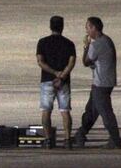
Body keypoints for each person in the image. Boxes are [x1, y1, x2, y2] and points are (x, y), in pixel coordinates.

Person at [74, 17, 121, 149]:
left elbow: (85, 62)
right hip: (105, 81)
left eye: (87, 27)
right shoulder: (107, 40)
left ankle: (115, 139)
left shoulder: (96, 44)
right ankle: (81, 134)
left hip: (101, 83)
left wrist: (86, 46)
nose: (86, 30)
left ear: (94, 28)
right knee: (91, 111)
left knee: (105, 112)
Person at [36, 16, 76, 149]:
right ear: (62, 27)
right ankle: (67, 139)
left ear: (50, 26)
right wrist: (62, 76)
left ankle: (48, 140)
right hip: (64, 82)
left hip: (47, 80)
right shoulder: (69, 43)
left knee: (46, 110)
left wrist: (54, 73)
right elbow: (71, 63)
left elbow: (40, 62)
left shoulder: (42, 42)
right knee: (65, 111)